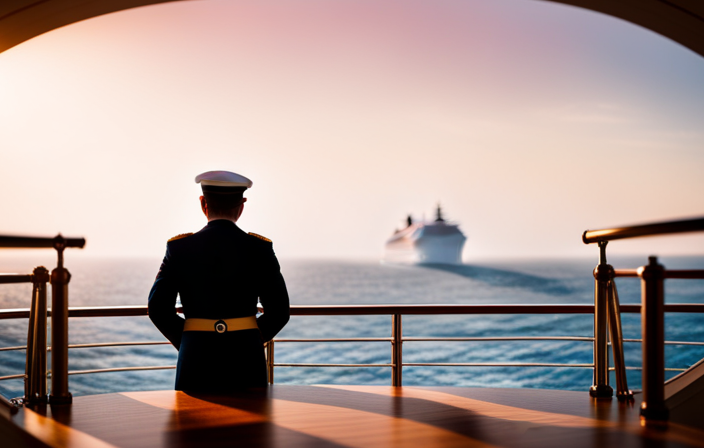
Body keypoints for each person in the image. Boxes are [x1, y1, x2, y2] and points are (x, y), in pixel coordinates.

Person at [148, 170, 290, 392]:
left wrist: (189, 340)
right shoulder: (260, 249)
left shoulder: (179, 248)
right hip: (247, 358)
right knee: (252, 425)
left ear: (203, 203)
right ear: (241, 206)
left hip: (195, 356)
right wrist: (248, 340)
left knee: (191, 424)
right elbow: (280, 312)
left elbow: (157, 309)